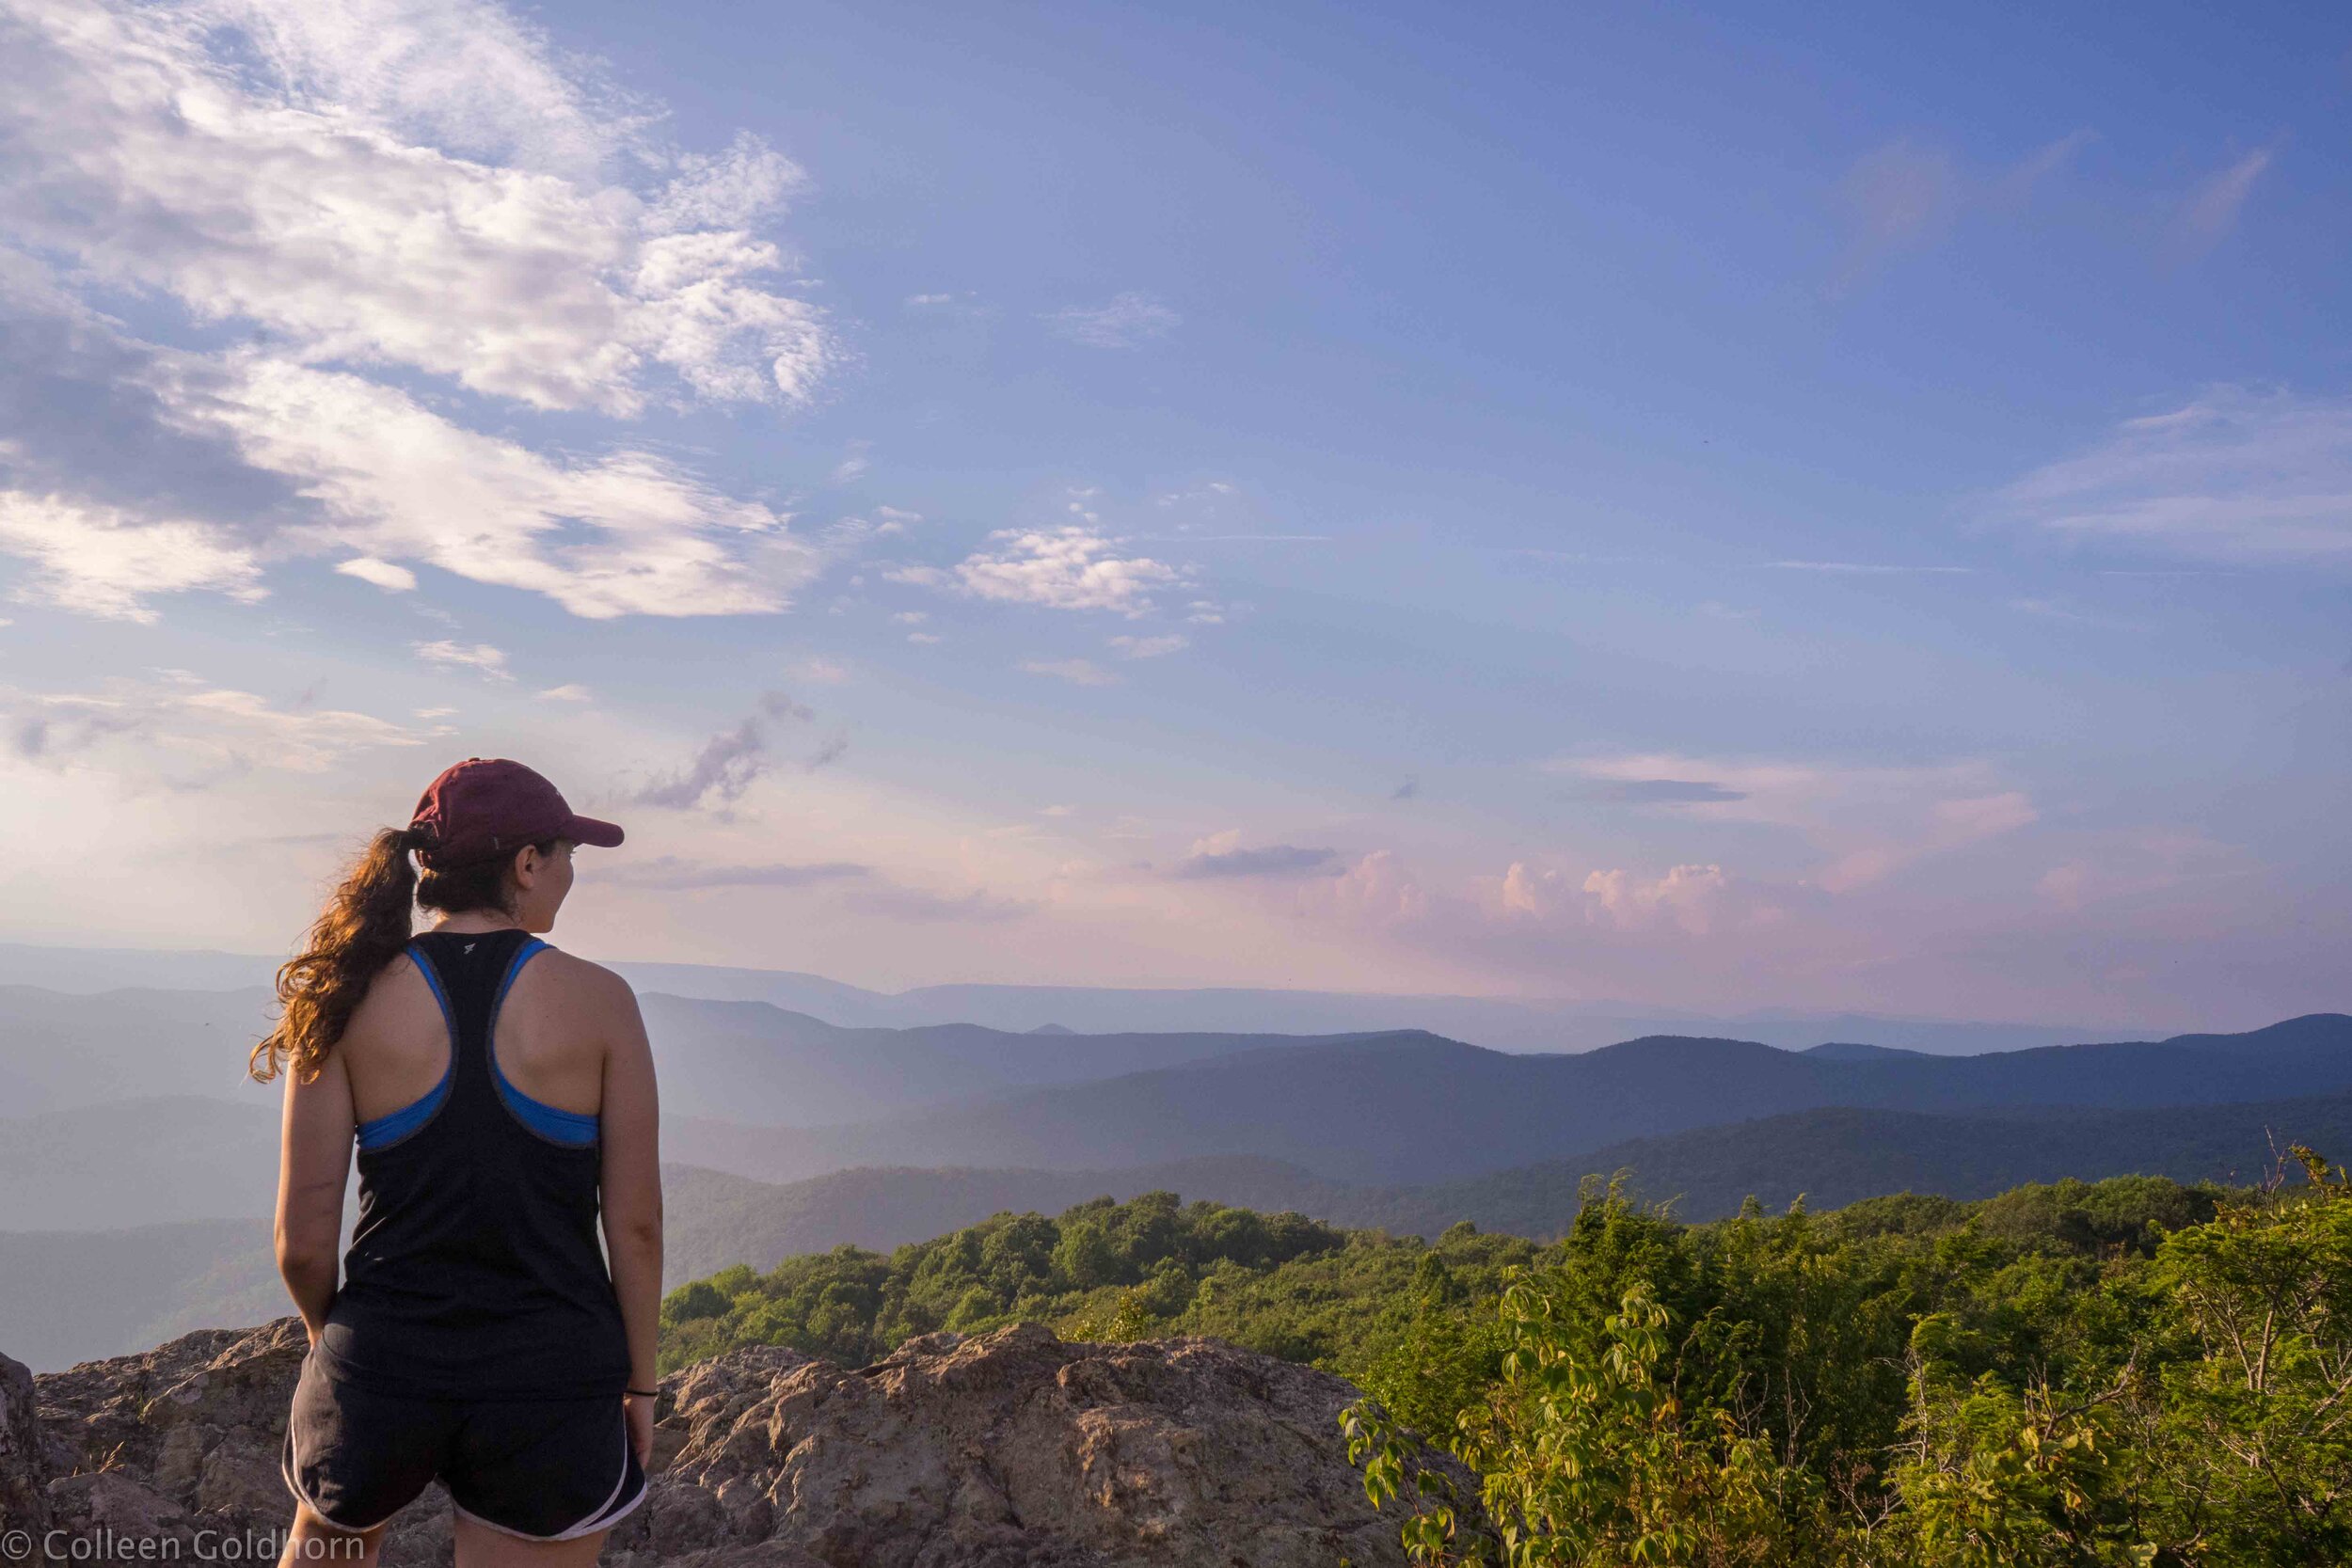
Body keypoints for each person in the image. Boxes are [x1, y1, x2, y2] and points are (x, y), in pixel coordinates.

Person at [253, 758, 663, 1568]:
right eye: (568, 853)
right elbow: (638, 1226)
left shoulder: (344, 997)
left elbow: (302, 1242)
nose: (572, 873)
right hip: (547, 1379)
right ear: (526, 863)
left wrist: (336, 1347)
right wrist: (640, 1387)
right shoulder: (603, 1002)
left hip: (382, 1364)